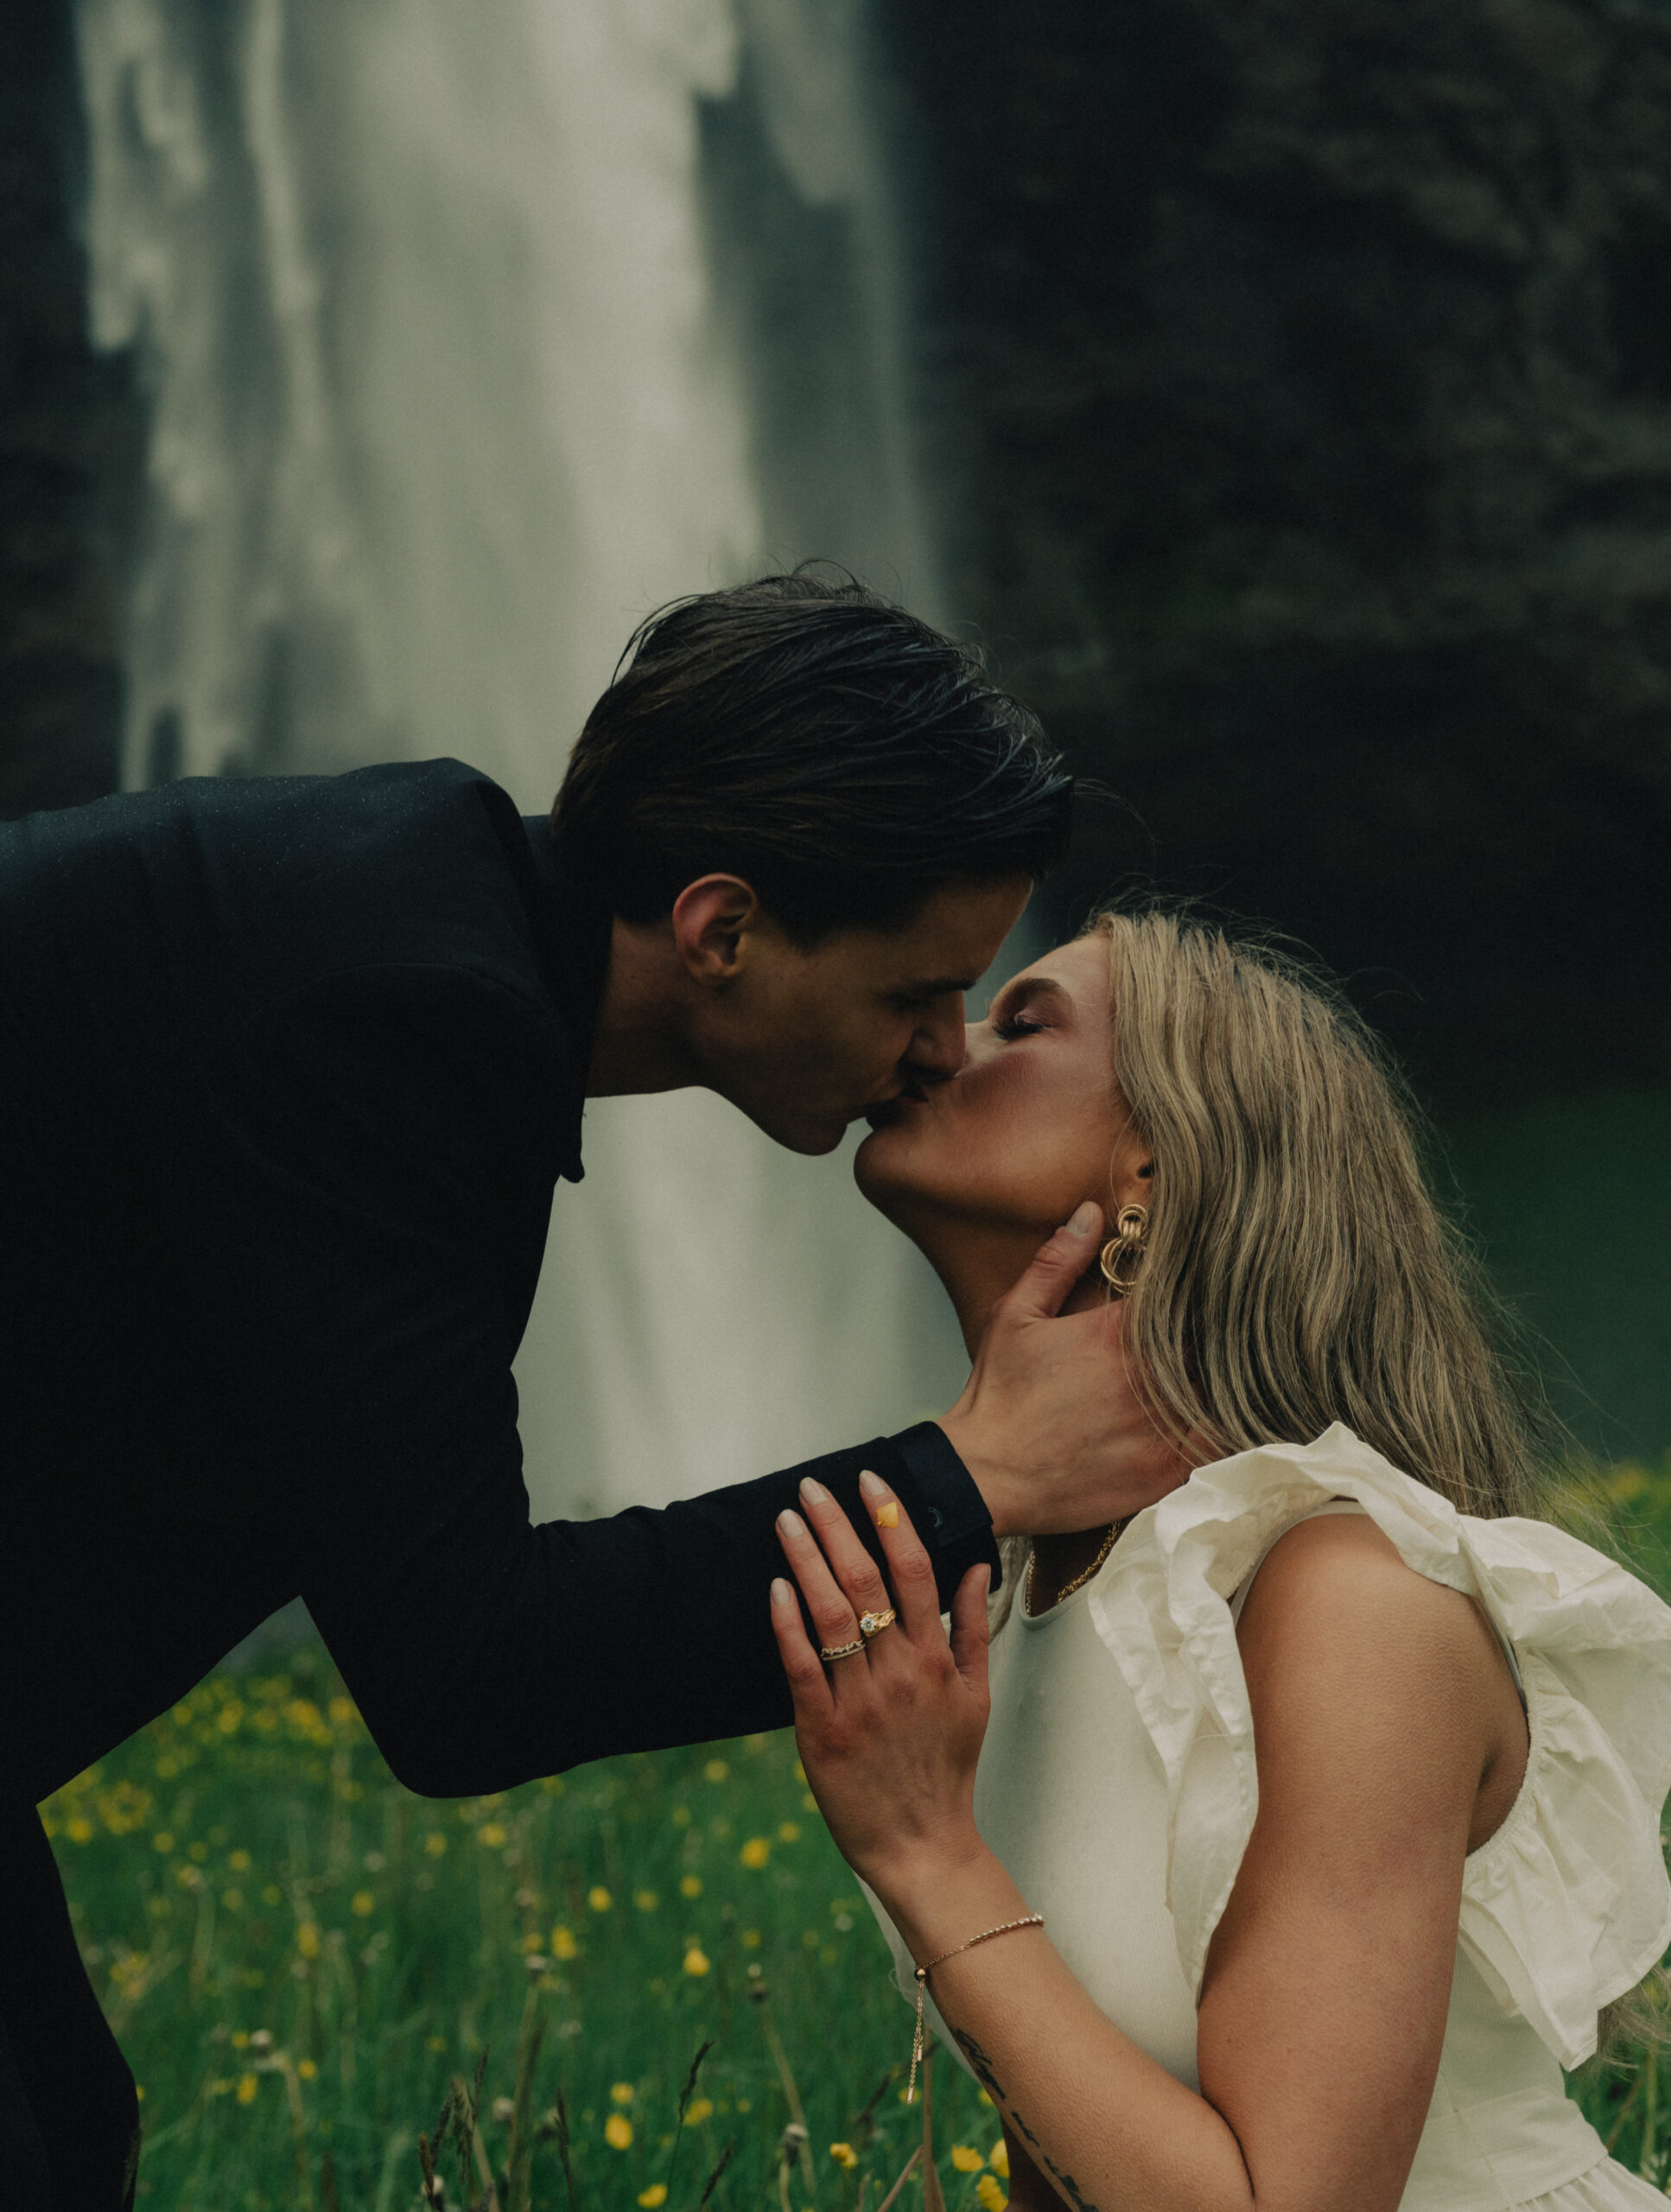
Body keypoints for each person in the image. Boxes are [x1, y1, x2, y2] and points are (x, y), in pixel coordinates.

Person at [0, 575, 1188, 2209]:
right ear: (722, 927)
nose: (940, 1051)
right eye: (912, 994)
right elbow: (464, 1671)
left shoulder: (407, 920)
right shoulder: (404, 1010)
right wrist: (963, 1480)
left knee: (58, 2129)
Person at [769, 909, 1671, 2212]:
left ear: (1154, 1163)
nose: (932, 1044)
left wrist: (923, 1850)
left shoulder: (1345, 1597)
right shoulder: (1029, 1590)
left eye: (1020, 1023)